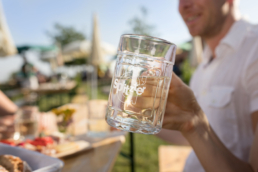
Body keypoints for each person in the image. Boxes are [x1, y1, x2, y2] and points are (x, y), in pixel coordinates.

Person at [157, 0, 258, 171]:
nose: (183, 5)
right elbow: (193, 134)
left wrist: (194, 122)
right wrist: (140, 120)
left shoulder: (254, 49)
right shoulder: (203, 65)